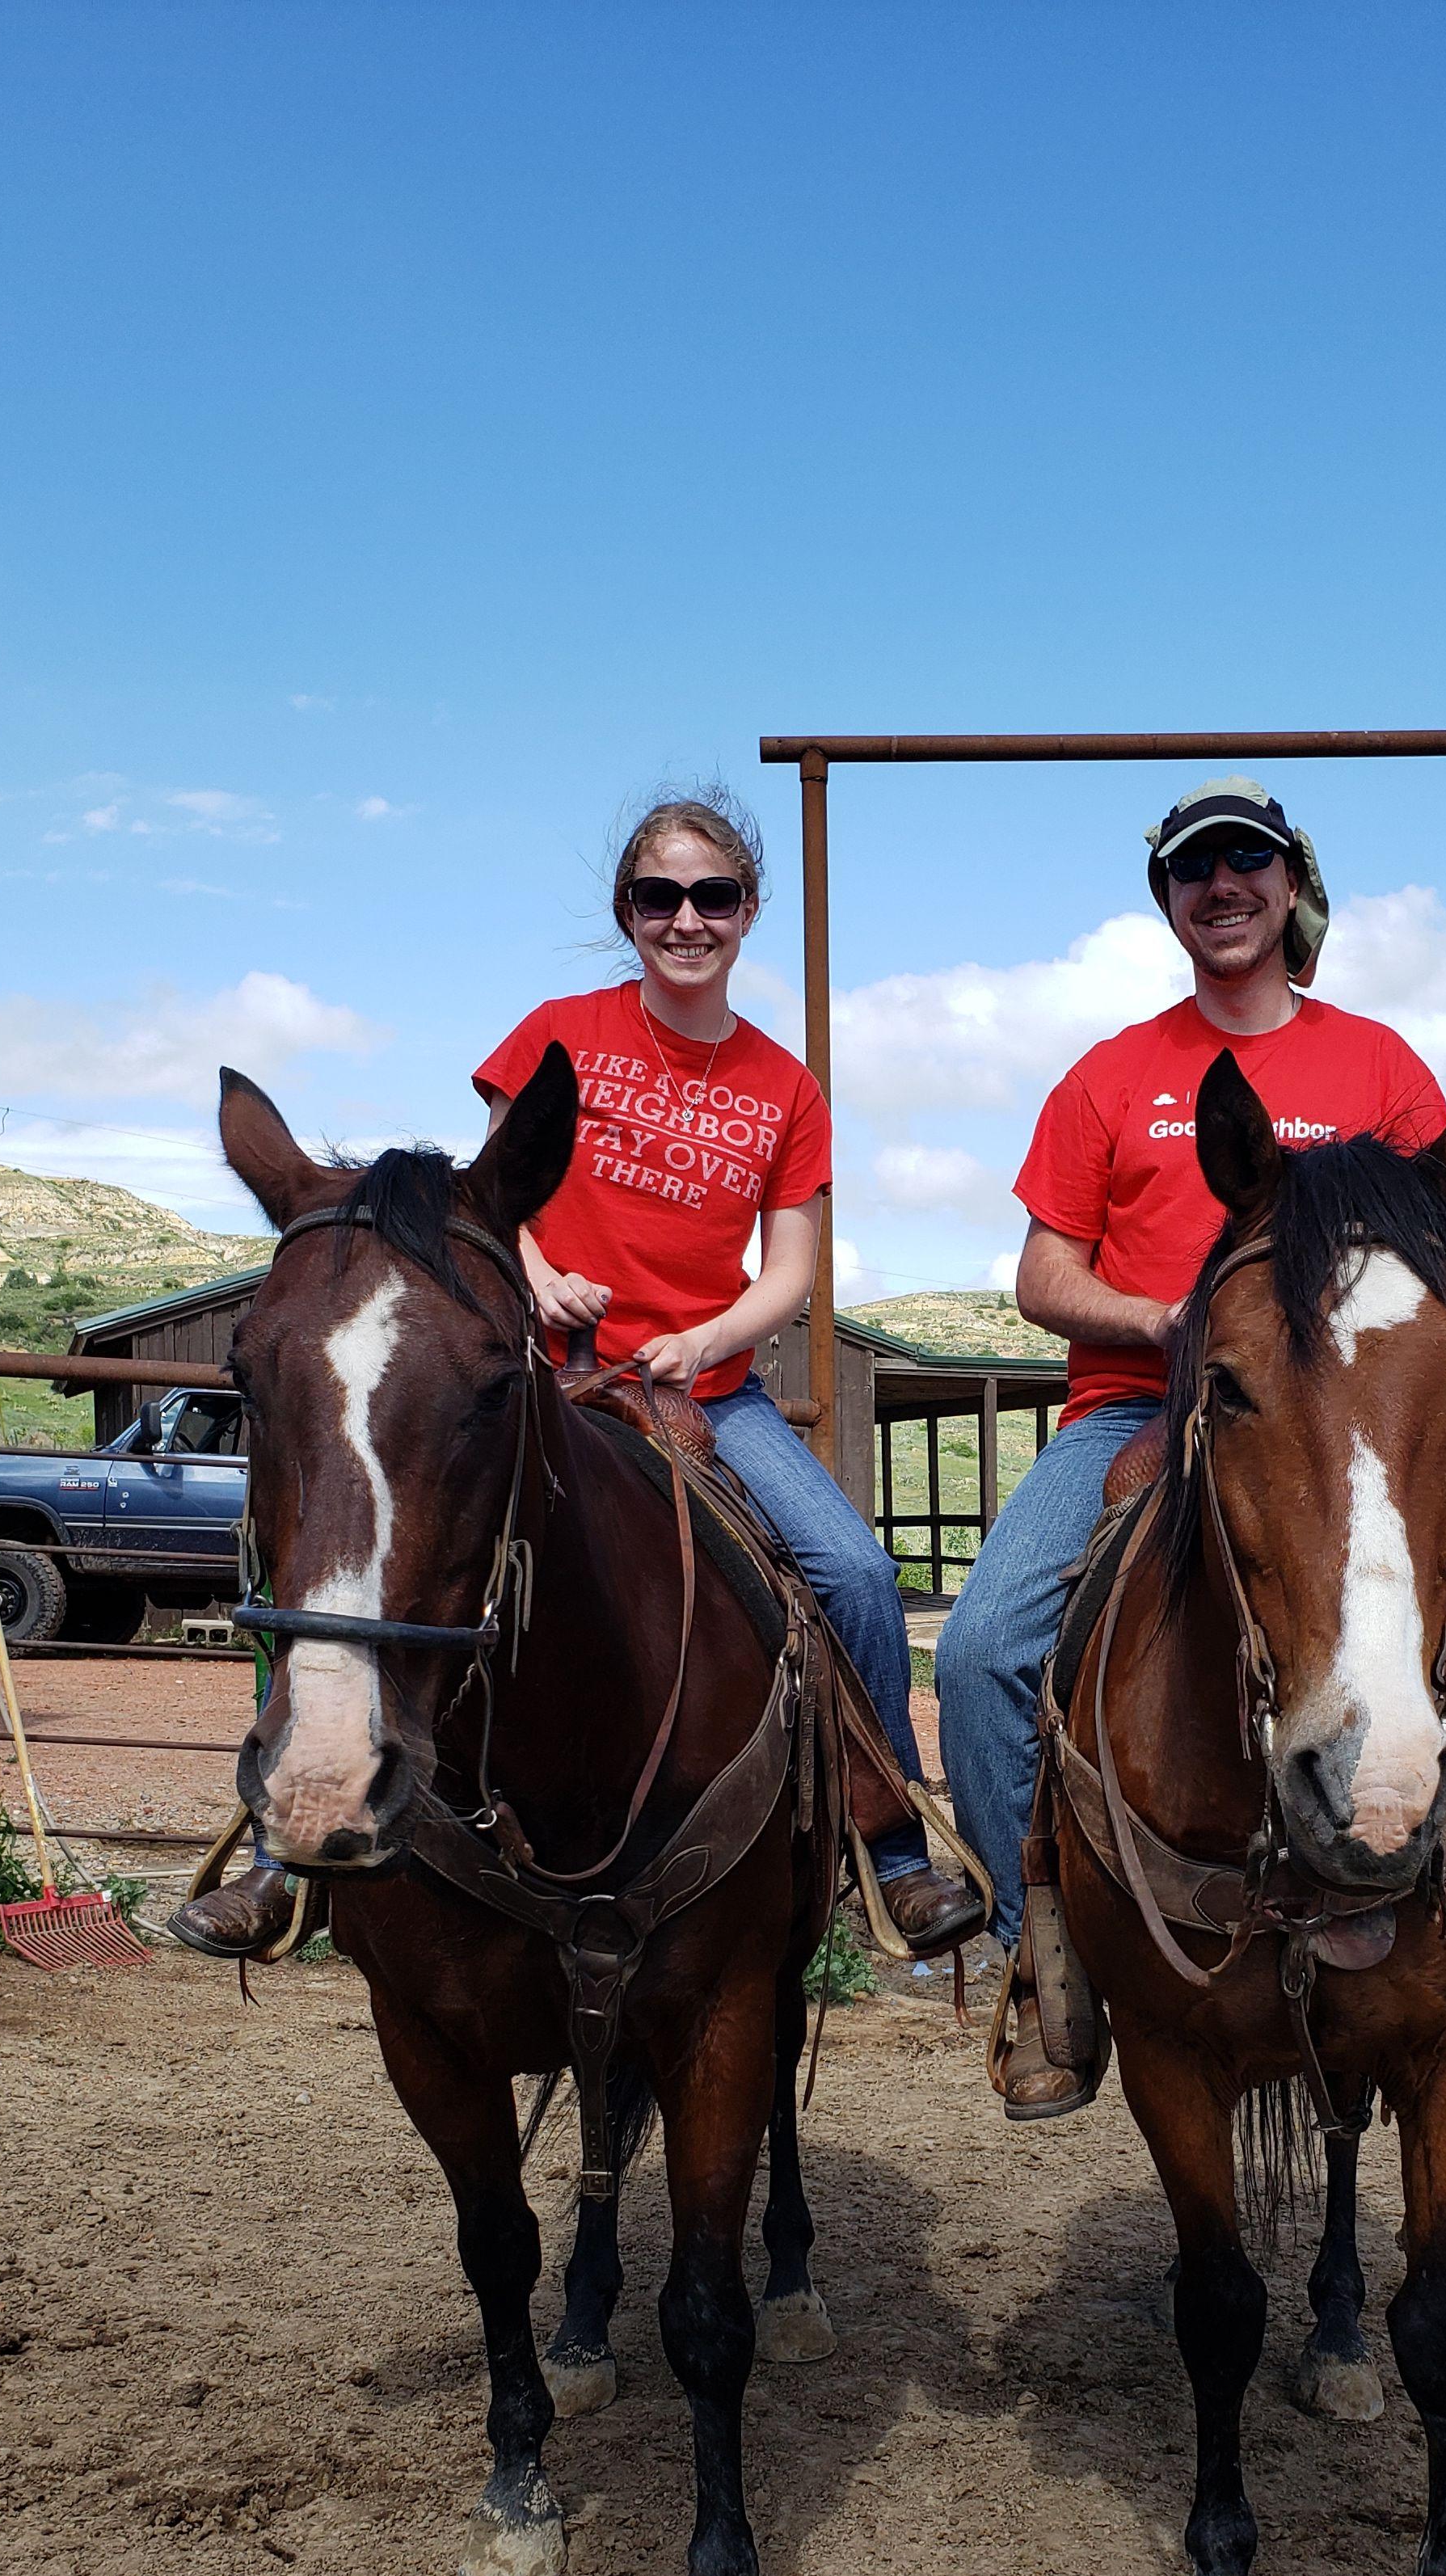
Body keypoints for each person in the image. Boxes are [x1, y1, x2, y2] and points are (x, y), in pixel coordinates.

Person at [930, 776, 1446, 2105]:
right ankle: (1040, 1946)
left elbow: (1433, 1254)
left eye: (1246, 865)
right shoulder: (1111, 1077)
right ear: (1168, 899)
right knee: (981, 1649)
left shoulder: (1376, 1065)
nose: (1223, 888)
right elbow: (1043, 1276)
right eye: (1195, 870)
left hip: (1356, 1415)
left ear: (1287, 885)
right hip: (1138, 1410)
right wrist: (1175, 1321)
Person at [174, 790, 984, 1960]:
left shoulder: (784, 1086)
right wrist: (540, 1275)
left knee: (855, 1573)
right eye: (662, 898)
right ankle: (280, 1850)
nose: (687, 919)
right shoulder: (562, 1033)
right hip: (537, 1375)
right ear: (629, 911)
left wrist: (706, 1341)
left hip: (703, 1390)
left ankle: (890, 1847)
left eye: (713, 897)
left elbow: (793, 1270)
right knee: (352, 1542)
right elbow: (491, 1191)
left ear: (747, 911)